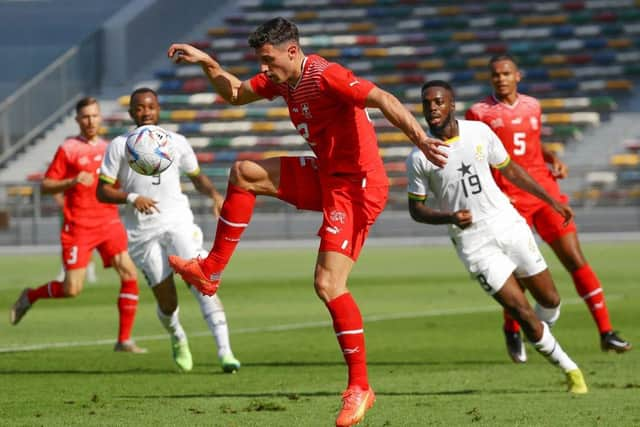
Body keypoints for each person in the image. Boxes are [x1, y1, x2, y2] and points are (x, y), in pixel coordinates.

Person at [165, 17, 446, 427]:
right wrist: (207, 62)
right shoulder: (282, 79)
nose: (263, 69)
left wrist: (420, 139)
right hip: (326, 173)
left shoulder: (326, 75)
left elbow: (383, 98)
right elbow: (236, 93)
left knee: (328, 284)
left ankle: (360, 388)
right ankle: (210, 271)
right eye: (260, 61)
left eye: (268, 60)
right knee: (244, 171)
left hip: (357, 187)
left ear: (292, 52)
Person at [407, 80, 588, 393]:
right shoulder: (420, 156)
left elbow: (511, 169)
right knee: (521, 310)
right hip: (473, 243)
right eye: (427, 104)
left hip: (507, 223)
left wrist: (551, 199)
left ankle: (538, 335)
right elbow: (416, 210)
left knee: (551, 300)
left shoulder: (479, 132)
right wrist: (450, 217)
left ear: (452, 104)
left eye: (438, 102)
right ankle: (571, 371)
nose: (433, 108)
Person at [465, 53, 632, 363]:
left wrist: (550, 156)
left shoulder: (533, 106)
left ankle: (606, 332)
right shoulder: (478, 113)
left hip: (544, 192)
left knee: (575, 258)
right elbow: (476, 155)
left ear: (518, 76)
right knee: (522, 270)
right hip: (509, 199)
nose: (500, 78)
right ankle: (512, 328)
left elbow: (528, 141)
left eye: (505, 73)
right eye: (495, 75)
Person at [97, 87, 241, 373]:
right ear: (131, 113)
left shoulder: (176, 142)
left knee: (201, 281)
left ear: (158, 109)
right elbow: (101, 191)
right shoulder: (119, 145)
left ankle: (225, 352)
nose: (146, 112)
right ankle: (177, 336)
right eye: (139, 108)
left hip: (178, 222)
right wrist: (131, 198)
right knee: (167, 299)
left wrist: (214, 196)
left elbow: (197, 178)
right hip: (142, 233)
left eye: (150, 106)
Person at [10, 97, 145, 353]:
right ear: (77, 120)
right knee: (72, 289)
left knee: (129, 274)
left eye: (94, 115)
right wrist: (72, 181)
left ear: (100, 118)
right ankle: (31, 295)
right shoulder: (69, 148)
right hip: (79, 225)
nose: (91, 121)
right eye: (85, 117)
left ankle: (124, 340)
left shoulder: (111, 148)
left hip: (108, 221)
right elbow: (47, 185)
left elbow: (119, 183)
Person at [52, 192, 98, 284]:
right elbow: (56, 191)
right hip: (68, 214)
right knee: (67, 244)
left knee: (88, 242)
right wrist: (63, 203)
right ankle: (64, 271)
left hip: (83, 213)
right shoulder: (66, 180)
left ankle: (90, 272)